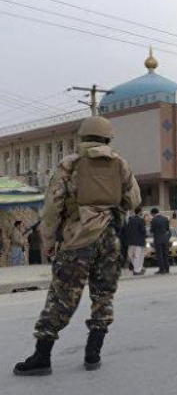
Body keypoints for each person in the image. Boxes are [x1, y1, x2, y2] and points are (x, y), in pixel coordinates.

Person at [13, 116, 140, 376]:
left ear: (82, 136)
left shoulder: (69, 164)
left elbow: (52, 207)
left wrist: (49, 241)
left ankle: (42, 357)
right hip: (110, 240)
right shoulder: (120, 164)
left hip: (77, 239)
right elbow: (134, 200)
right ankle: (93, 353)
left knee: (61, 298)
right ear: (108, 138)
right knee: (103, 297)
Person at [125, 206, 146, 275]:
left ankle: (135, 269)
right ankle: (137, 270)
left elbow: (127, 230)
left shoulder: (130, 220)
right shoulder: (141, 220)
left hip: (131, 242)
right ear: (140, 212)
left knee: (132, 256)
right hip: (139, 242)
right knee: (138, 257)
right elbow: (143, 231)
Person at [150, 208, 170, 275]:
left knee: (160, 255)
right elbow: (167, 229)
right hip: (165, 239)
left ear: (153, 213)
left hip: (158, 239)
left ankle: (162, 269)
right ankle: (167, 269)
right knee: (165, 254)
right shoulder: (165, 219)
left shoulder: (154, 220)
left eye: (152, 214)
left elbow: (152, 230)